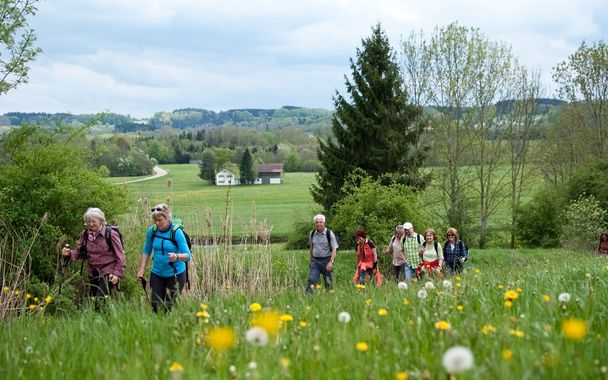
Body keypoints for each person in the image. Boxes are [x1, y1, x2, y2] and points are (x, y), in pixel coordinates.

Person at [138, 203, 191, 313]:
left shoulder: (176, 232)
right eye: (155, 221)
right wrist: (142, 269)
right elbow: (146, 250)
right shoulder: (152, 231)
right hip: (157, 273)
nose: (157, 223)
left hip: (175, 274)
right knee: (156, 306)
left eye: (160, 220)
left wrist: (176, 256)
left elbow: (188, 256)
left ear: (167, 218)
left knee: (169, 308)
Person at [61, 207, 125, 298]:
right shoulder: (86, 234)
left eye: (93, 221)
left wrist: (116, 274)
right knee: (94, 299)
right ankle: (105, 312)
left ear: (100, 220)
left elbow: (120, 256)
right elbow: (79, 252)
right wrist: (69, 253)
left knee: (100, 299)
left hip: (109, 271)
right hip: (93, 272)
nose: (90, 224)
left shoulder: (110, 234)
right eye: (88, 221)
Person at [306, 214, 338, 294]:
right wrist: (310, 260)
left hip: (327, 260)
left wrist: (331, 262)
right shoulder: (312, 233)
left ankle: (329, 300)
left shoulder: (329, 233)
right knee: (312, 279)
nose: (319, 224)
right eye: (317, 222)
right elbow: (311, 248)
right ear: (314, 223)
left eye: (321, 222)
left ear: (324, 223)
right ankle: (308, 299)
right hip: (315, 261)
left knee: (328, 282)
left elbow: (334, 250)